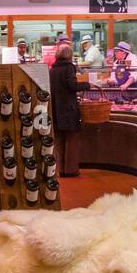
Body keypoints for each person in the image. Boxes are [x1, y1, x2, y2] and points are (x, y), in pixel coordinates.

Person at [50, 42, 90, 177]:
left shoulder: (52, 69)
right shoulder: (69, 68)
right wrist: (87, 85)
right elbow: (72, 86)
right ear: (69, 56)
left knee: (59, 140)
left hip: (55, 108)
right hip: (68, 108)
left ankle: (61, 169)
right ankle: (71, 170)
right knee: (71, 139)